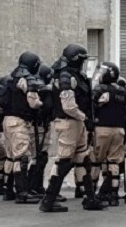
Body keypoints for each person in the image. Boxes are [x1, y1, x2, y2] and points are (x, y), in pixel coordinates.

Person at [39, 44, 106, 213]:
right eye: (81, 60)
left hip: (76, 122)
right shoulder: (65, 76)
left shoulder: (73, 75)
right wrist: (85, 117)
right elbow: (68, 106)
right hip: (69, 122)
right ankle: (48, 200)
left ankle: (90, 198)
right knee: (64, 161)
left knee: (83, 158)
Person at [0, 52, 44, 204]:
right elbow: (34, 103)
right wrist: (41, 101)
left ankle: (8, 190)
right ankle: (22, 192)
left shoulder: (10, 80)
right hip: (19, 121)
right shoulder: (27, 80)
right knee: (22, 157)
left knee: (12, 157)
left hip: (7, 121)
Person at [91, 62, 126, 207]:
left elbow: (92, 106)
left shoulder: (100, 89)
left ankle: (92, 192)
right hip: (118, 130)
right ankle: (113, 194)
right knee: (114, 161)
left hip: (102, 129)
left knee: (96, 161)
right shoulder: (121, 91)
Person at [27, 64, 56, 197]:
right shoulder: (43, 89)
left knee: (40, 157)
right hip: (39, 126)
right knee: (38, 157)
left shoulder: (36, 86)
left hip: (39, 125)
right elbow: (47, 107)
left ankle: (36, 186)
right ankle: (32, 186)